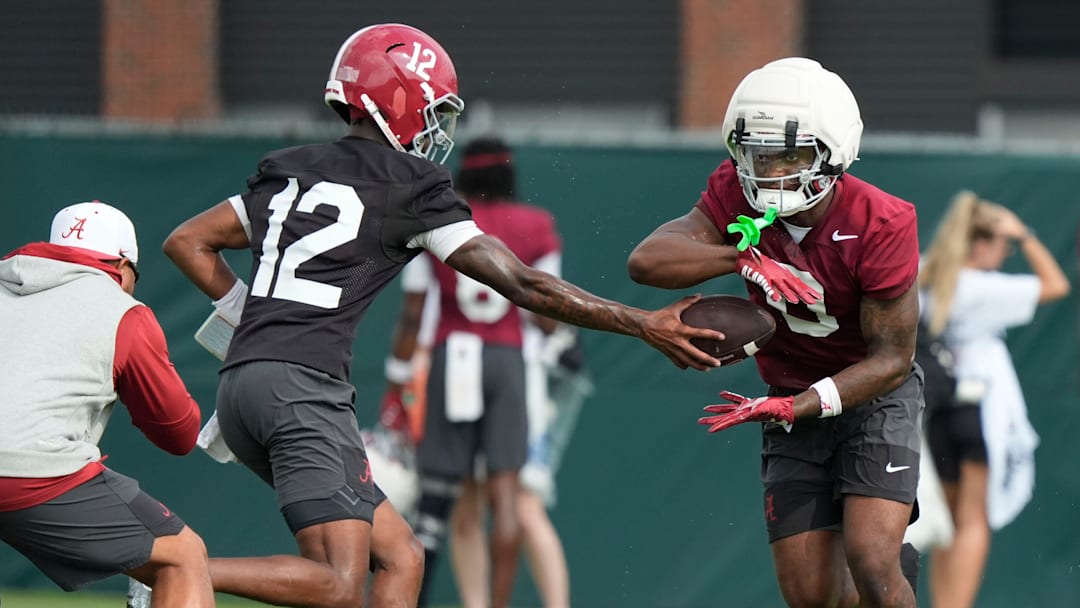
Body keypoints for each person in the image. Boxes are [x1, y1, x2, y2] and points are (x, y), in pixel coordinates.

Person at [161, 23, 723, 608]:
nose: (438, 129)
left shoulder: (288, 166)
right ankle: (171, 570)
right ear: (397, 102)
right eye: (433, 111)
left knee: (402, 557)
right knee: (339, 582)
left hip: (241, 388)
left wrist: (242, 312)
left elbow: (186, 241)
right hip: (302, 390)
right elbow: (526, 285)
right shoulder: (412, 185)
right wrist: (641, 322)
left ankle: (177, 571)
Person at [627, 57, 924, 607]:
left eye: (788, 155)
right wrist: (741, 257)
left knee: (872, 562)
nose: (769, 172)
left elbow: (892, 360)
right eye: (757, 154)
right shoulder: (735, 195)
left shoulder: (882, 221)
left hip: (873, 396)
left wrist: (800, 407)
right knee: (811, 595)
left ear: (833, 151)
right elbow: (646, 261)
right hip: (788, 388)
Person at [381, 136, 584, 608]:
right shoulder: (536, 226)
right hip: (507, 362)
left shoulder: (441, 220)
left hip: (452, 358)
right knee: (507, 498)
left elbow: (412, 315)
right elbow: (546, 311)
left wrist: (395, 381)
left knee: (452, 499)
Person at [0, 201, 213, 606]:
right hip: (31, 473)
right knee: (182, 556)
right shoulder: (122, 309)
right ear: (122, 266)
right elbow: (178, 433)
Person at [916, 191, 1069, 608]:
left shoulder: (924, 274)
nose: (1004, 254)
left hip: (938, 415)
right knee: (972, 521)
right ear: (980, 243)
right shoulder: (983, 286)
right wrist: (1026, 236)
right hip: (978, 414)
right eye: (1001, 246)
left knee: (949, 521)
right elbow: (1056, 285)